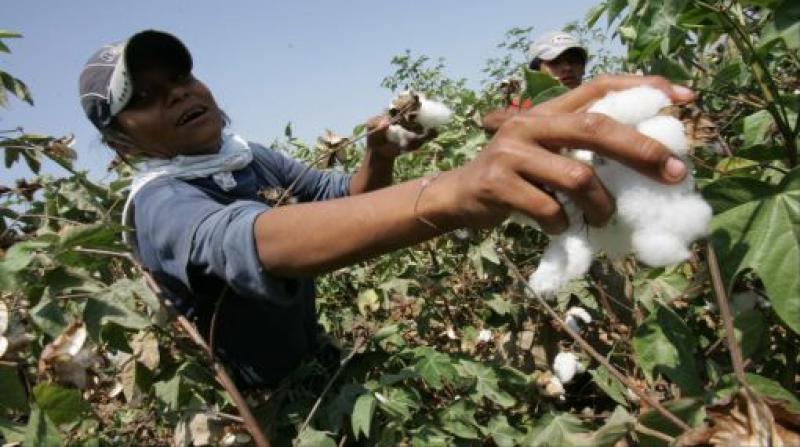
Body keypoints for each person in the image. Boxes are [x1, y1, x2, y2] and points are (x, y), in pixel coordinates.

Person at [79, 30, 693, 388]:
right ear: (122, 143)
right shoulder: (159, 204)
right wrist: (460, 191)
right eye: (149, 98)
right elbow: (255, 242)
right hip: (264, 404)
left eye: (182, 76)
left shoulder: (247, 158)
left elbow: (337, 200)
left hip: (317, 361)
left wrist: (378, 155)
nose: (180, 92)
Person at [482, 31, 588, 134]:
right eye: (555, 62)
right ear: (536, 71)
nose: (567, 67)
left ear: (583, 69)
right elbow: (492, 120)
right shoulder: (527, 103)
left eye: (574, 61)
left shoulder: (596, 99)